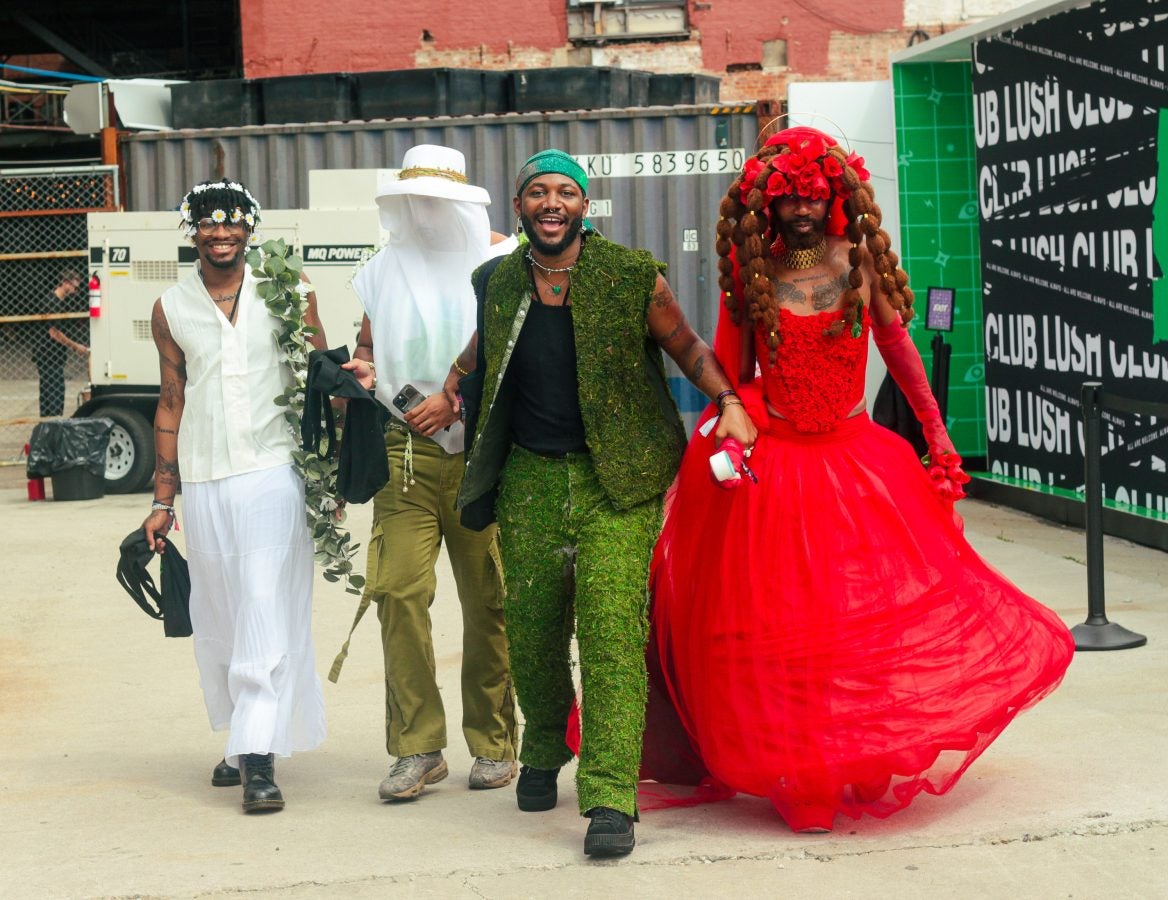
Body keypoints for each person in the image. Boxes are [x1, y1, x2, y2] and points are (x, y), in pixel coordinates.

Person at [644, 126, 1075, 832]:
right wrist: (720, 436)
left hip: (859, 466)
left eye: (814, 197)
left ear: (834, 197)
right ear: (769, 207)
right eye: (790, 200)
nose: (803, 211)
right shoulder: (752, 275)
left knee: (858, 619)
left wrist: (938, 436)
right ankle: (804, 768)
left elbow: (901, 349)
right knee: (783, 626)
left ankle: (861, 753)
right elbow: (729, 372)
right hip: (776, 473)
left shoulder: (859, 265)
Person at [443, 149, 757, 858]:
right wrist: (447, 387)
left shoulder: (628, 276)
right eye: (537, 193)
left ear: (586, 205)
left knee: (612, 630)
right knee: (532, 630)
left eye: (565, 193)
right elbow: (481, 351)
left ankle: (611, 794)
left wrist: (729, 400)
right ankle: (547, 743)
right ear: (519, 207)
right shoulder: (496, 282)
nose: (551, 203)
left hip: (619, 479)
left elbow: (686, 344)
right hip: (526, 479)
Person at [140, 179, 329, 814]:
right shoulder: (171, 307)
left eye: (232, 222)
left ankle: (257, 758)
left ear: (251, 228)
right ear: (190, 229)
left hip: (275, 471)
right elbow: (171, 401)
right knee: (219, 613)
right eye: (207, 223)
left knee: (261, 605)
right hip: (206, 478)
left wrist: (326, 482)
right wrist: (164, 499)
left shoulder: (291, 293)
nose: (221, 233)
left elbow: (320, 388)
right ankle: (237, 736)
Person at [339, 145, 519, 802]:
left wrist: (456, 398)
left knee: (489, 600)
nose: (427, 210)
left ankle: (496, 743)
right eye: (416, 197)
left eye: (439, 198)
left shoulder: (501, 261)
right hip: (403, 455)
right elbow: (367, 345)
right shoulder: (383, 270)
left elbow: (514, 354)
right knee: (399, 595)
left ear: (463, 201)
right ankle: (417, 748)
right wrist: (361, 370)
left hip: (481, 455)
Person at [32, 270, 85, 417]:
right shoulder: (51, 302)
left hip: (52, 357)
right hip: (48, 356)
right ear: (65, 283)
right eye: (75, 287)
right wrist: (76, 347)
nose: (76, 291)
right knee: (54, 397)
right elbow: (55, 334)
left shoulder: (58, 302)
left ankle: (49, 428)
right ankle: (52, 427)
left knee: (49, 396)